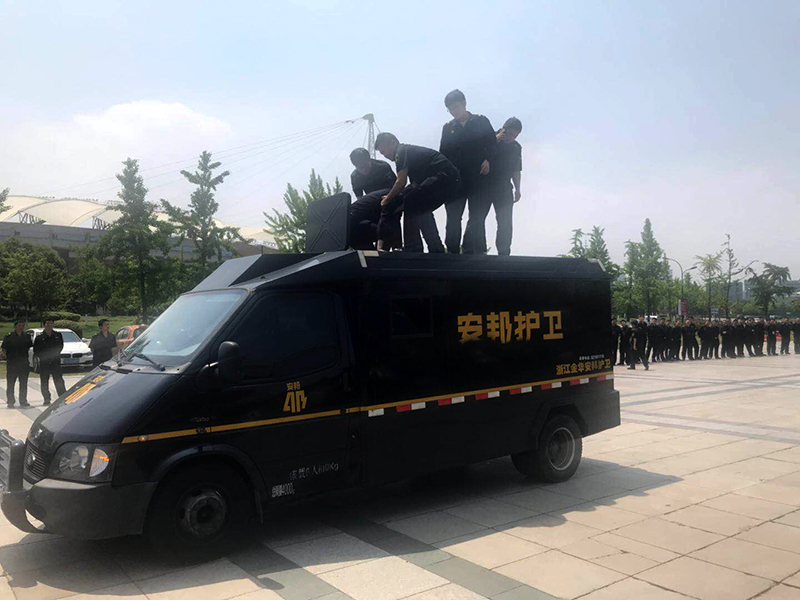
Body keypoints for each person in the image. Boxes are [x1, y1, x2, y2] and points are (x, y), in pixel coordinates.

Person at [374, 132, 460, 253]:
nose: (385, 156)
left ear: (392, 143)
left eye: (384, 151)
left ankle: (412, 248)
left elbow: (400, 182)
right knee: (422, 208)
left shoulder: (401, 152)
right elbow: (414, 185)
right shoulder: (412, 157)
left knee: (411, 201)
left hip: (444, 177)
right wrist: (399, 202)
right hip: (451, 181)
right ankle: (436, 248)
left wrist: (387, 199)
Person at [438, 90, 495, 254]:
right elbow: (443, 153)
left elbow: (492, 144)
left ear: (464, 104)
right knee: (453, 217)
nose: (454, 111)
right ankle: (452, 252)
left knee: (477, 217)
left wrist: (488, 159)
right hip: (456, 179)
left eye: (456, 107)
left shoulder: (481, 121)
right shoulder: (448, 128)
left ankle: (475, 252)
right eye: (450, 109)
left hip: (478, 177)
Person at [473, 117, 523, 255]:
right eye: (509, 134)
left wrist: (518, 189)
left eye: (515, 135)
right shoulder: (489, 139)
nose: (511, 138)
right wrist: (495, 140)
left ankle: (504, 253)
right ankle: (479, 251)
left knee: (505, 222)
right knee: (478, 219)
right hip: (484, 185)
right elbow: (476, 156)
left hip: (504, 187)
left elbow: (516, 169)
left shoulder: (516, 147)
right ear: (503, 128)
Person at [34, 318, 66, 405]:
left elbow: (60, 346)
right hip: (44, 362)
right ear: (44, 325)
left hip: (55, 361)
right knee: (44, 381)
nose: (49, 325)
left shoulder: (58, 335)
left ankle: (62, 397)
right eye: (47, 323)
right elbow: (36, 350)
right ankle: (46, 398)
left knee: (59, 380)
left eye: (51, 323)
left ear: (53, 324)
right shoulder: (39, 337)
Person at [2, 321, 32, 408]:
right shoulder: (8, 337)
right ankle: (10, 401)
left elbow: (29, 347)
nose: (21, 327)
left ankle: (23, 401)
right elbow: (4, 349)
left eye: (22, 326)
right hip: (12, 365)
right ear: (15, 326)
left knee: (23, 384)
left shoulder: (27, 336)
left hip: (23, 364)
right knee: (10, 384)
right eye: (19, 325)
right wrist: (8, 358)